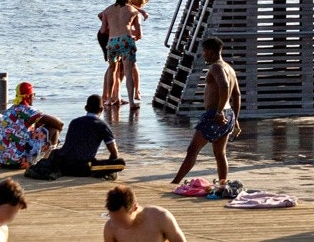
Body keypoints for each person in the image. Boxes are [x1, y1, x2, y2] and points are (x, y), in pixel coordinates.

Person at [170, 38, 241, 187]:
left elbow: (224, 86)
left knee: (192, 150)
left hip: (216, 115)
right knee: (220, 153)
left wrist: (219, 112)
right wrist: (235, 119)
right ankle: (223, 183)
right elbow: (237, 95)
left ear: (210, 51)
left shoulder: (216, 67)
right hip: (229, 114)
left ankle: (174, 182)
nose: (203, 55)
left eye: (204, 51)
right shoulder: (230, 68)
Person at [52, 95, 124, 177]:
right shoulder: (102, 125)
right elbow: (114, 153)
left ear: (86, 108)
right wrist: (110, 163)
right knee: (120, 163)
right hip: (81, 167)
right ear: (102, 109)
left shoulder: (74, 122)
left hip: (62, 164)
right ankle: (97, 172)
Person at [0, 83, 61, 169]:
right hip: (18, 162)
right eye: (33, 95)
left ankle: (46, 155)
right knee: (54, 129)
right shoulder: (28, 110)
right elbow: (59, 124)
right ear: (29, 96)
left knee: (40, 126)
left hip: (2, 161)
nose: (33, 97)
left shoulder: (9, 110)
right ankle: (48, 161)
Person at [100, 0, 139, 108]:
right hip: (126, 40)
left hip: (112, 42)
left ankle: (110, 100)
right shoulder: (133, 10)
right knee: (128, 72)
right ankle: (132, 102)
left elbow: (102, 30)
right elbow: (139, 33)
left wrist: (112, 29)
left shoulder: (107, 10)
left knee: (112, 70)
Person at [103, 185, 186, 242]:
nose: (118, 224)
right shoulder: (110, 227)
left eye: (122, 220)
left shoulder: (160, 217)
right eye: (114, 219)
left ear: (135, 207)